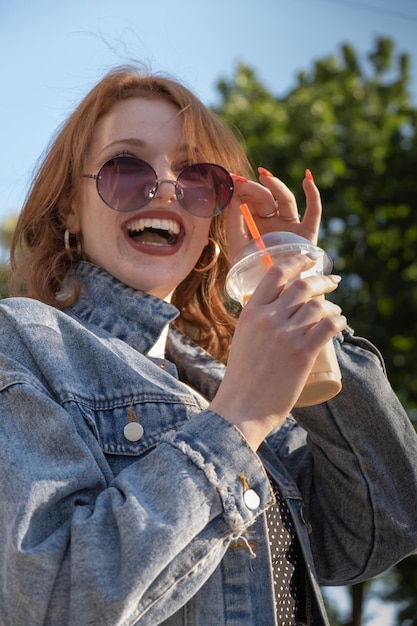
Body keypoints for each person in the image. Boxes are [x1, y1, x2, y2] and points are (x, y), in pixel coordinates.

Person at [0, 66, 416, 626]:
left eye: (198, 178)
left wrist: (288, 285)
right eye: (126, 168)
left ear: (216, 219)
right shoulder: (21, 341)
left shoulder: (222, 382)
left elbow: (385, 525)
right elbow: (52, 600)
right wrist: (237, 422)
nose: (167, 187)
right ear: (70, 208)